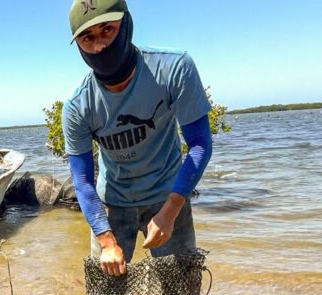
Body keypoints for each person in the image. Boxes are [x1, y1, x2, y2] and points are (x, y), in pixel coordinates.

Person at [63, 0, 213, 276]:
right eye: (88, 38)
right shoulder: (78, 106)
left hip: (168, 194)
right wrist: (106, 240)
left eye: (108, 30)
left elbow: (200, 144)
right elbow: (82, 181)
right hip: (113, 203)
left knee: (178, 294)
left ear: (126, 24)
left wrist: (170, 211)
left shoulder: (173, 68)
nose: (99, 47)